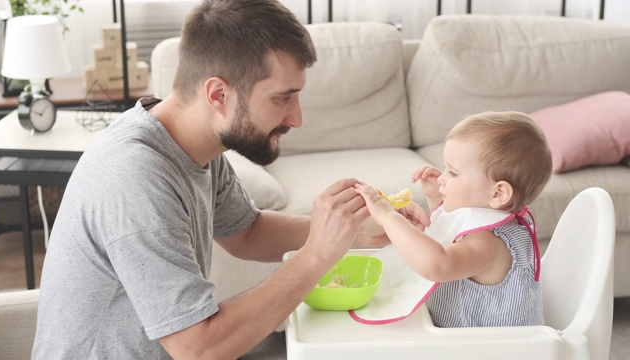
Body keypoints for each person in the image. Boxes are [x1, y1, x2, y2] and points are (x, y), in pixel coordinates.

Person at [31, 1, 420, 358]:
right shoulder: (136, 176)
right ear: (218, 94)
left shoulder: (190, 142)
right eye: (283, 98)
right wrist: (317, 254)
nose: (296, 118)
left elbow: (247, 233)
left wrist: (354, 231)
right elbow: (198, 348)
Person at [355, 111, 553, 328]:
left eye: (453, 173)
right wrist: (436, 200)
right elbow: (448, 234)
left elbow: (437, 265)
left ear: (498, 194)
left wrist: (388, 217)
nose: (441, 178)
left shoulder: (489, 243)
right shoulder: (492, 220)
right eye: (444, 168)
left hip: (491, 349)